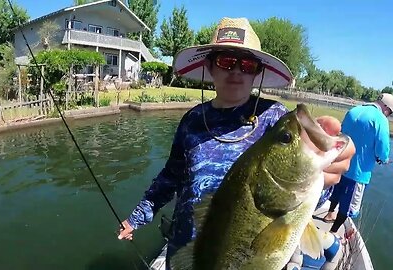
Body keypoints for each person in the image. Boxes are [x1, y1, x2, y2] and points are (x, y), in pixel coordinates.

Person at [117, 17, 355, 268]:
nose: (237, 71)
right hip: (188, 249)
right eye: (226, 61)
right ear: (210, 67)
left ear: (258, 72)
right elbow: (171, 176)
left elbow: (302, 197)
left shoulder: (275, 118)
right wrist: (137, 217)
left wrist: (331, 167)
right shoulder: (192, 119)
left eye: (248, 64)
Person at [323, 93, 392, 234]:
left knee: (336, 192)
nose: (389, 114)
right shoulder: (381, 120)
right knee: (347, 206)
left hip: (339, 165)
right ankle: (333, 233)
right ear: (385, 107)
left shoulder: (354, 110)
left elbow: (342, 133)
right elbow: (382, 148)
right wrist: (383, 159)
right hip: (359, 172)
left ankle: (329, 213)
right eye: (390, 111)